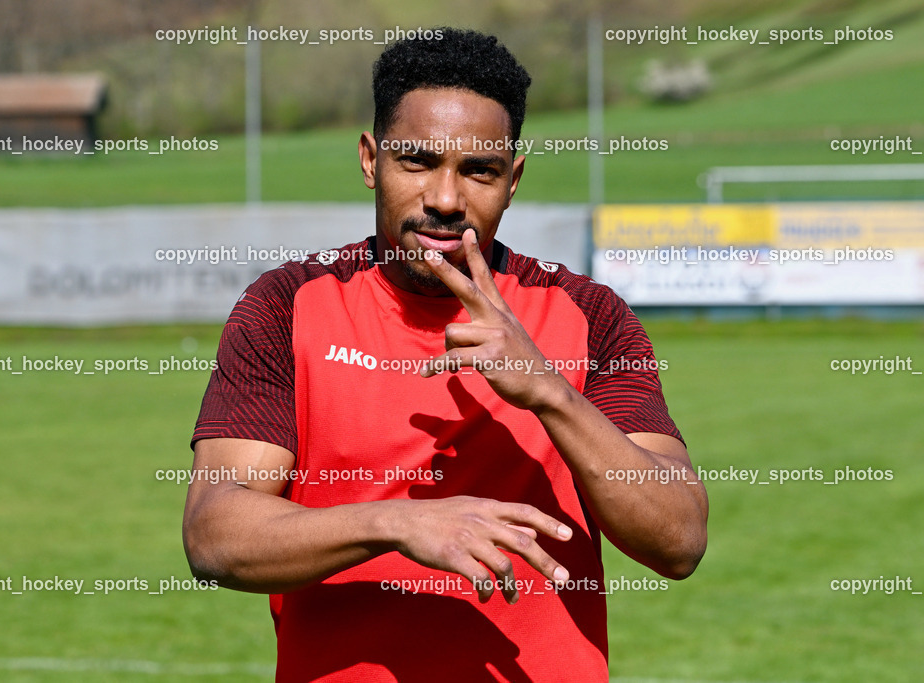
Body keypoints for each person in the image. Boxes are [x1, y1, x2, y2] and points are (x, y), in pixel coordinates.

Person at [184, 28, 708, 682]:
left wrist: (550, 392)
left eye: (478, 170)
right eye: (418, 162)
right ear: (371, 160)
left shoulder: (588, 314)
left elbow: (678, 539)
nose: (445, 199)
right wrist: (397, 522)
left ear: (512, 180)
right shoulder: (287, 307)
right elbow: (215, 534)